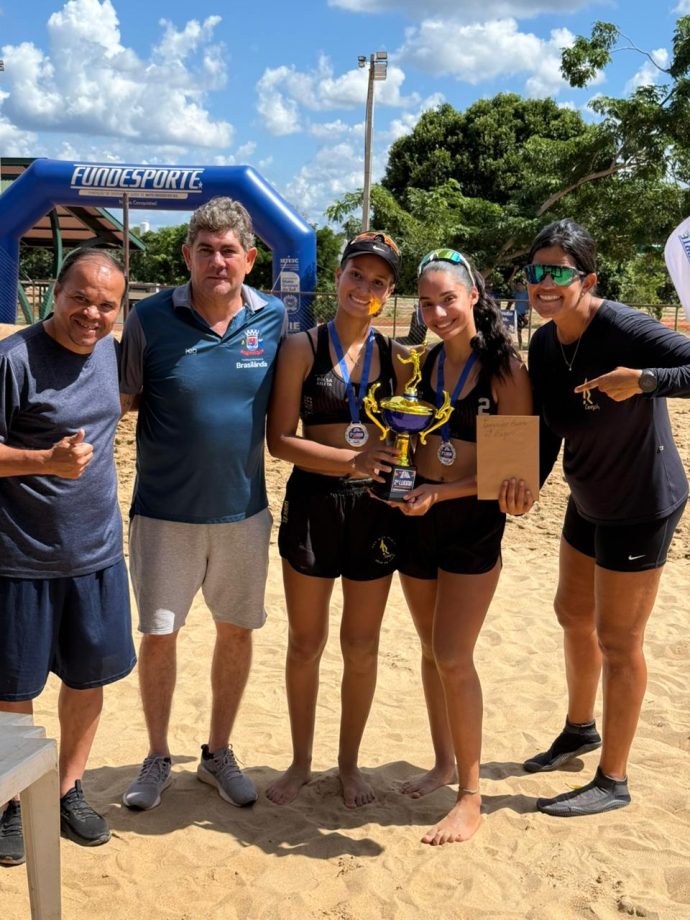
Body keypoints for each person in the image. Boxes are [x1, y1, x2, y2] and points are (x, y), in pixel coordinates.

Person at [119, 197, 285, 812]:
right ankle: (158, 755)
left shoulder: (273, 321)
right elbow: (116, 400)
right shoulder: (148, 318)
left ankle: (217, 752)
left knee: (236, 632)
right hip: (163, 513)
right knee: (160, 635)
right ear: (187, 255)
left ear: (249, 258)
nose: (218, 261)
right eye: (206, 250)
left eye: (229, 250)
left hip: (243, 514)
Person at [523, 218, 690, 817]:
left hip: (641, 502)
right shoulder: (543, 343)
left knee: (619, 639)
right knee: (572, 612)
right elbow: (546, 427)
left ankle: (613, 779)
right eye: (536, 271)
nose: (544, 283)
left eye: (558, 272)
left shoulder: (622, 325)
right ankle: (578, 728)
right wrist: (520, 487)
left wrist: (644, 380)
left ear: (586, 278)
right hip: (588, 494)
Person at [394, 248, 534, 845]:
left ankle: (471, 796)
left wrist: (436, 492)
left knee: (454, 655)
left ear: (473, 295)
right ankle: (443, 762)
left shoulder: (503, 369)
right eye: (426, 302)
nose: (437, 310)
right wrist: (405, 483)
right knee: (430, 652)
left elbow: (513, 478)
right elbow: (409, 438)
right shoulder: (422, 365)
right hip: (417, 518)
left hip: (470, 524)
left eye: (447, 298)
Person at [0, 250, 134, 865]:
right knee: (13, 692)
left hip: (97, 554)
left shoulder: (110, 351)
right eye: (81, 298)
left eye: (108, 305)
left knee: (87, 682)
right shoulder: (15, 359)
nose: (93, 313)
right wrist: (42, 462)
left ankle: (66, 789)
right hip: (19, 557)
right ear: (54, 292)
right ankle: (10, 802)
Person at [265, 231, 406, 808]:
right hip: (314, 504)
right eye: (356, 275)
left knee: (362, 645)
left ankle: (348, 763)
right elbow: (279, 441)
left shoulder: (399, 357)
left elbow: (413, 434)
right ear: (340, 275)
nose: (364, 288)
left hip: (374, 509)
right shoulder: (302, 347)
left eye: (378, 282)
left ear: (388, 292)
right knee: (305, 642)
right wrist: (353, 458)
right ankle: (301, 761)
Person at [511, 279, 530, 348]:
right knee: (519, 332)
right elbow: (510, 282)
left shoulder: (526, 293)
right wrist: (514, 271)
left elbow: (528, 304)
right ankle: (520, 345)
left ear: (523, 286)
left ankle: (519, 329)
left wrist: (527, 312)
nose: (518, 286)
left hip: (524, 313)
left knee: (526, 322)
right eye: (517, 285)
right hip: (517, 313)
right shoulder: (516, 293)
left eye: (520, 285)